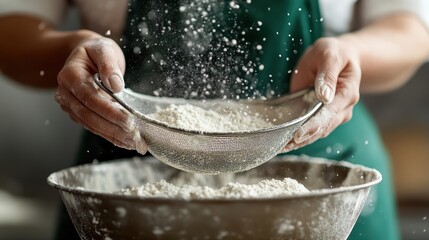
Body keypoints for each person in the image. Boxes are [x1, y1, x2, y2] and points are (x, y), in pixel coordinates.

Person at [1, 0, 429, 239]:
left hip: (324, 184)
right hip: (128, 184)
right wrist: (74, 48)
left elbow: (410, 28)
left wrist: (352, 53)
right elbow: (11, 27)